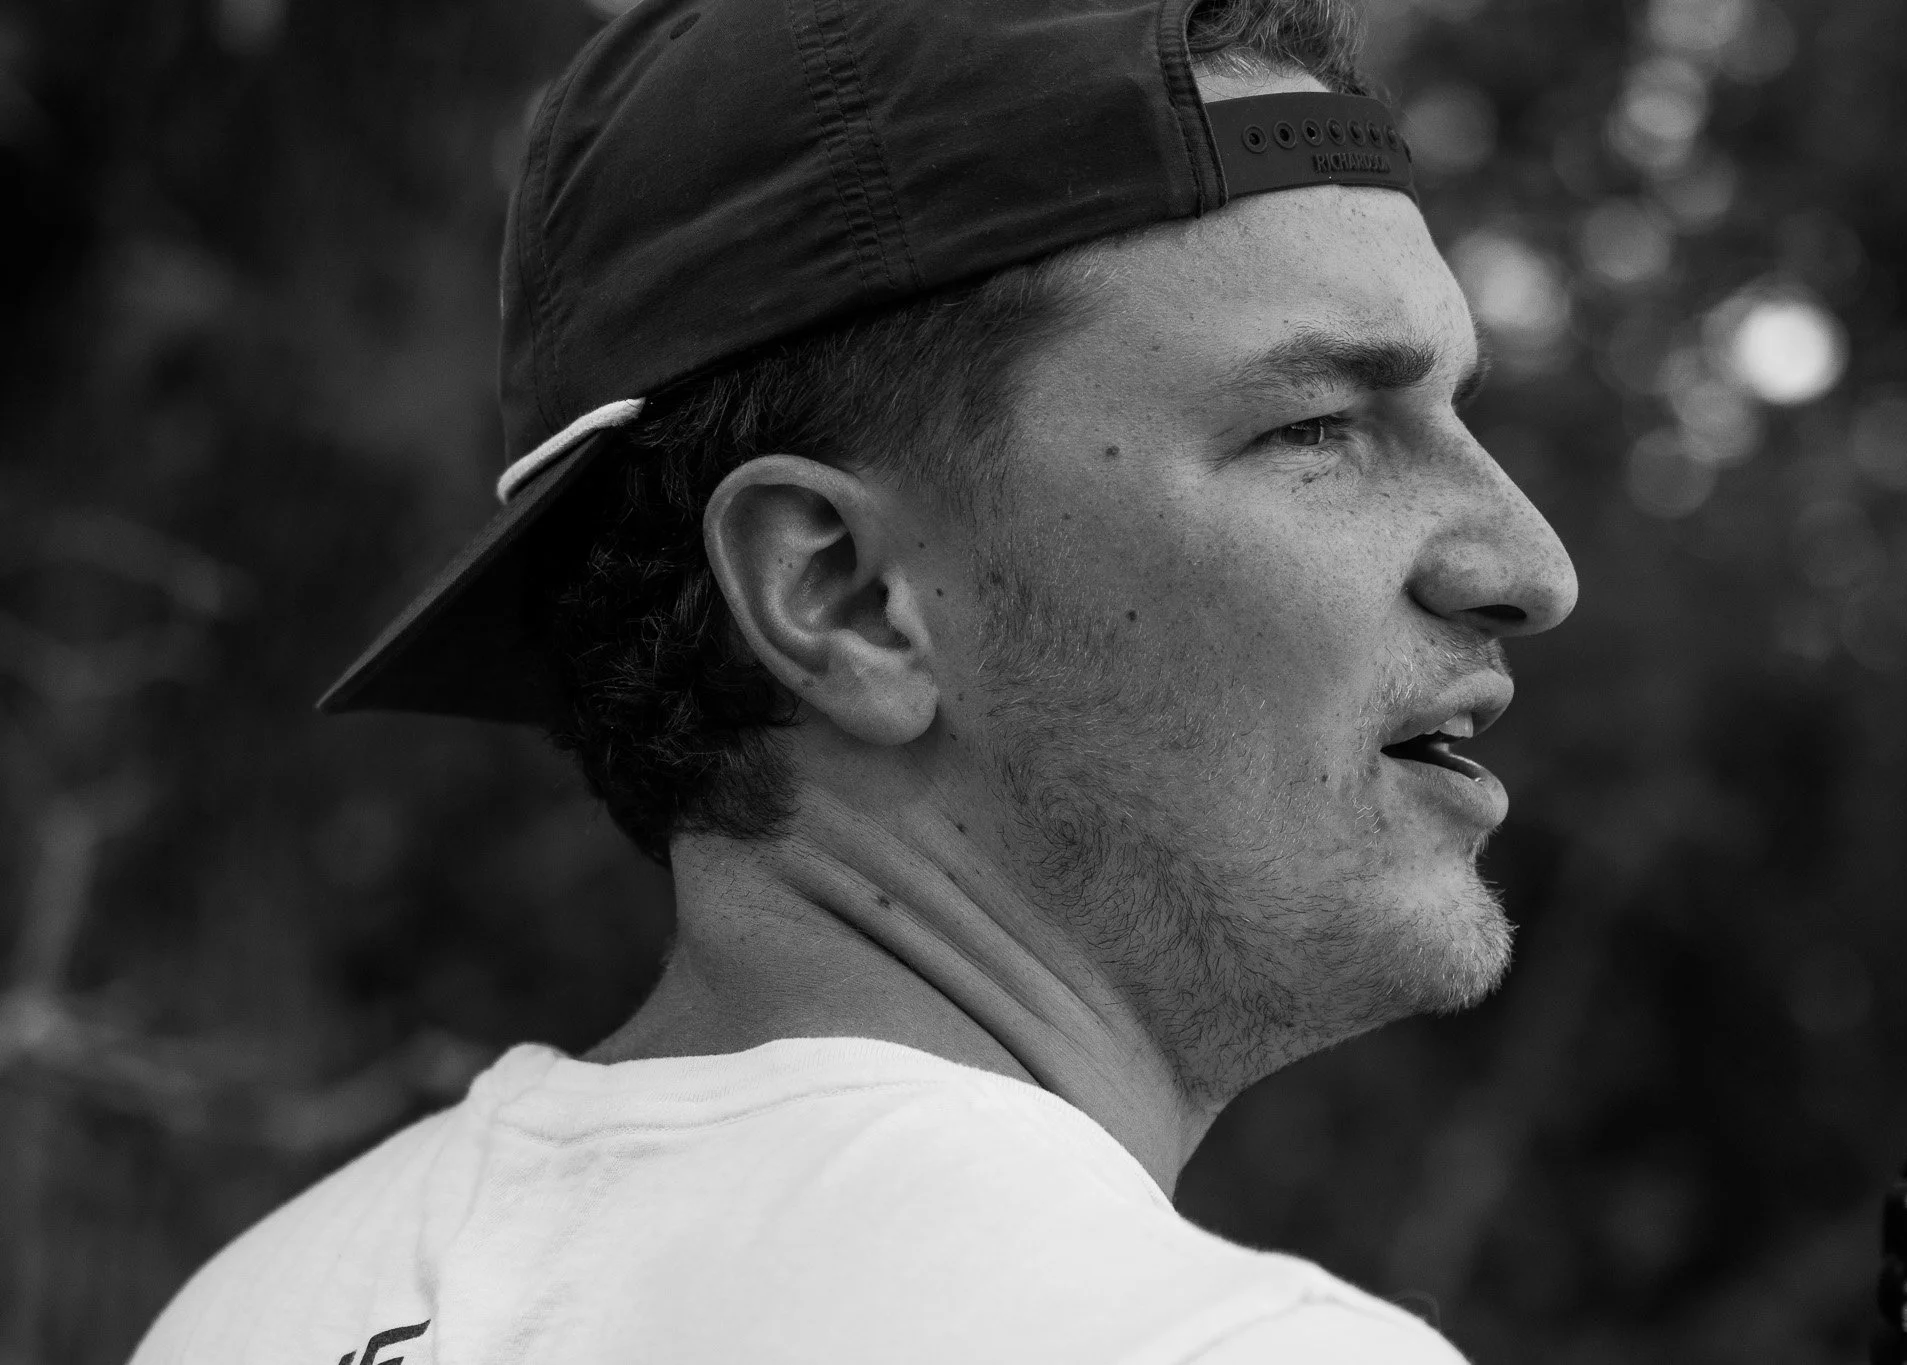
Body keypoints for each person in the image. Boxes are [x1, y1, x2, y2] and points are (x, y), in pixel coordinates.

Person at [130, 0, 1576, 1359]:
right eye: (1318, 426)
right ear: (843, 595)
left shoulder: (251, 1310)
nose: (1529, 562)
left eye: (1461, 412)